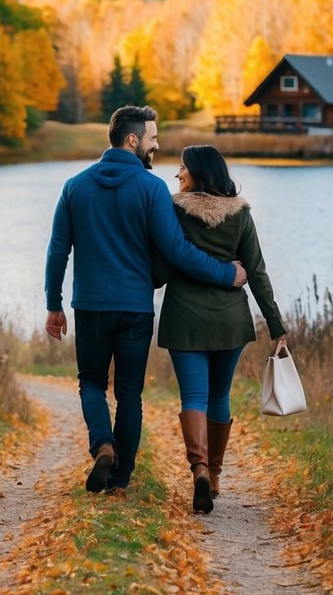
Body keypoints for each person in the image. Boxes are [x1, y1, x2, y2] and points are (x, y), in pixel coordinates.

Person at [45, 106, 248, 494]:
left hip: (89, 306)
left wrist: (53, 304)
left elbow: (57, 251)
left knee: (90, 383)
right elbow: (177, 251)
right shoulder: (152, 189)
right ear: (133, 140)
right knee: (129, 394)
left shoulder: (75, 185)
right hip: (135, 309)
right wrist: (227, 273)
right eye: (153, 139)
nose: (157, 147)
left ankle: (102, 445)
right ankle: (120, 479)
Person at [154, 145, 287, 514]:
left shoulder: (173, 211)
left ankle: (197, 468)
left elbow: (162, 268)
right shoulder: (241, 214)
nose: (177, 174)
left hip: (184, 317)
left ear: (198, 172)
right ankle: (213, 475)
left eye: (182, 168)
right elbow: (256, 272)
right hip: (229, 319)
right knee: (219, 395)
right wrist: (276, 325)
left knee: (193, 397)